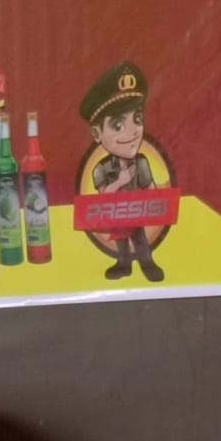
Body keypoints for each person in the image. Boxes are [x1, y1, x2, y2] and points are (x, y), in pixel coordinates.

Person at [80, 60, 166, 282]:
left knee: (140, 240)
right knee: (121, 242)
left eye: (137, 119)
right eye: (118, 125)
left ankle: (147, 264)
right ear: (97, 134)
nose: (132, 131)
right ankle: (124, 265)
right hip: (115, 215)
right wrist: (120, 181)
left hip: (136, 213)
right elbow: (103, 197)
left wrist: (157, 202)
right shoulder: (101, 169)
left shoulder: (142, 162)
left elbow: (151, 189)